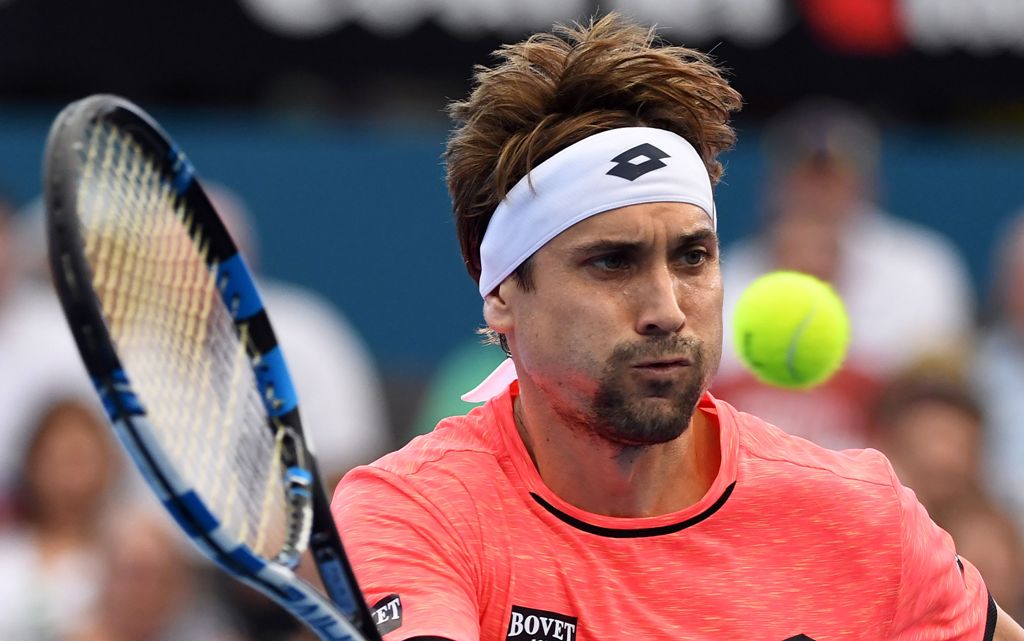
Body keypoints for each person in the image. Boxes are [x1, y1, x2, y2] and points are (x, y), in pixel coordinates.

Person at [333, 13, 1023, 640]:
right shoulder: (414, 511)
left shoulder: (864, 516)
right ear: (503, 292)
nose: (667, 306)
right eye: (611, 261)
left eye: (693, 256)